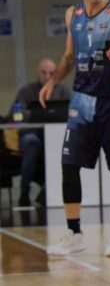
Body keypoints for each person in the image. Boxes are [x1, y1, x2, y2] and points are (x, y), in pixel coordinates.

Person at [39, 0, 110, 256]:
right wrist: (53, 82)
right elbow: (69, 56)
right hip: (81, 101)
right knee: (69, 165)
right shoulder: (73, 14)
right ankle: (74, 233)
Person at [8, 59, 70, 206]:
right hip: (31, 133)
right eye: (44, 72)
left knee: (65, 149)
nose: (47, 76)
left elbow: (74, 110)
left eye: (51, 73)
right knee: (31, 143)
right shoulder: (26, 91)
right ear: (37, 73)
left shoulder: (63, 91)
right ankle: (24, 191)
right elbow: (14, 113)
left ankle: (46, 190)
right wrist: (34, 115)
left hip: (56, 135)